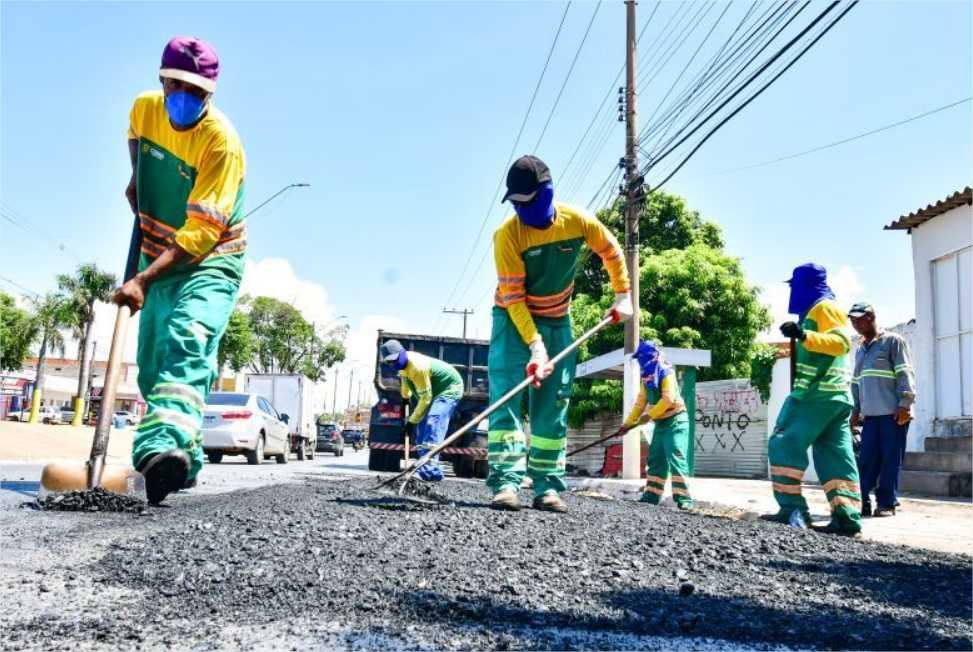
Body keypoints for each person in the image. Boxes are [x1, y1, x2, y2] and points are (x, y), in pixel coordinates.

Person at [112, 36, 246, 505]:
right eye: (178, 86)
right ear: (163, 81)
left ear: (211, 92)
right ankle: (181, 460)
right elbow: (136, 139)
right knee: (152, 367)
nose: (187, 97)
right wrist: (137, 178)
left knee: (187, 339)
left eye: (199, 91)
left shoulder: (221, 142)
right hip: (156, 252)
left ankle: (156, 450)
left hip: (211, 258)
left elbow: (200, 234)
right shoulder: (145, 108)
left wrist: (141, 280)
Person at [487, 155, 632, 513]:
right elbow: (514, 298)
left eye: (527, 202)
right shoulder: (507, 236)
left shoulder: (577, 221)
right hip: (512, 320)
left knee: (554, 402)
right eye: (516, 205)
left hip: (557, 320)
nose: (521, 211)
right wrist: (535, 346)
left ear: (547, 193)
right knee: (506, 395)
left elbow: (611, 251)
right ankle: (506, 482)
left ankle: (547, 486)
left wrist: (623, 294)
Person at [765, 263, 863, 538]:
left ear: (805, 285)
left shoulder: (824, 307)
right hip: (836, 399)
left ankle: (792, 510)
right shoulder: (818, 310)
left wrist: (803, 334)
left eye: (794, 286)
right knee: (834, 457)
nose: (792, 291)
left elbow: (841, 343)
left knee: (783, 442)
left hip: (815, 395)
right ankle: (847, 519)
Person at [848, 302, 915, 517]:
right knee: (866, 461)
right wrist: (855, 411)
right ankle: (862, 502)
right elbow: (856, 382)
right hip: (870, 417)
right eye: (852, 320)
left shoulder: (893, 341)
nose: (855, 324)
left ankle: (886, 503)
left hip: (894, 415)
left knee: (890, 461)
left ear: (871, 317)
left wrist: (905, 404)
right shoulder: (860, 349)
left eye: (859, 319)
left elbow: (905, 373)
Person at [621, 340, 694, 510]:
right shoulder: (646, 377)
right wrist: (627, 424)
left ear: (650, 357)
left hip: (676, 421)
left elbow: (668, 399)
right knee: (656, 458)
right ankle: (652, 495)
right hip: (661, 424)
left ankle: (684, 499)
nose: (641, 363)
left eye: (642, 359)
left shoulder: (666, 372)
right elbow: (640, 403)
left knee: (676, 457)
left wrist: (649, 416)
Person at [380, 340, 464, 481]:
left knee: (433, 421)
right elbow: (406, 381)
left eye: (395, 359)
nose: (394, 364)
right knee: (421, 431)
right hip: (433, 392)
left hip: (449, 389)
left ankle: (431, 470)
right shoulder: (401, 365)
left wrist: (411, 421)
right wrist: (405, 398)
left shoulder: (417, 367)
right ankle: (427, 470)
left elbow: (425, 398)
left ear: (403, 353)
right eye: (390, 362)